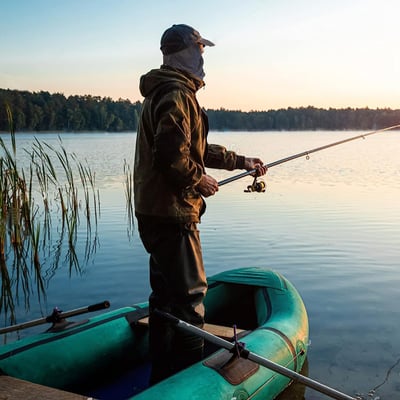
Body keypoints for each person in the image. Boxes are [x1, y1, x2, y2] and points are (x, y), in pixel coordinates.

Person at [134, 23, 267, 384]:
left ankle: (161, 377)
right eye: (199, 49)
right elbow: (171, 156)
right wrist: (198, 179)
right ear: (182, 52)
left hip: (153, 210)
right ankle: (190, 384)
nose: (203, 56)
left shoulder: (162, 91)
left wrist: (242, 161)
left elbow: (194, 149)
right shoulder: (177, 94)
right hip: (173, 212)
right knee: (191, 300)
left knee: (164, 298)